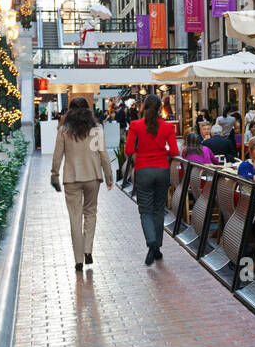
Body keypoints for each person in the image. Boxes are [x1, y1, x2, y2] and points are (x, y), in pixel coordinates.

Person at [50, 96, 115, 272]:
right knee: (91, 213)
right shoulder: (96, 129)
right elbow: (103, 154)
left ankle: (78, 260)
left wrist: (54, 174)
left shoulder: (64, 130)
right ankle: (88, 250)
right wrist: (109, 176)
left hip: (71, 177)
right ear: (88, 110)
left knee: (75, 217)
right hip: (93, 176)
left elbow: (57, 154)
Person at [125, 93, 178, 265]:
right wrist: (162, 152)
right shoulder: (167, 127)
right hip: (162, 170)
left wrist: (142, 152)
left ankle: (152, 243)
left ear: (144, 107)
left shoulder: (136, 125)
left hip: (143, 171)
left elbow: (128, 150)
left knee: (145, 210)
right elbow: (174, 151)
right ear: (159, 108)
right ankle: (157, 248)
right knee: (158, 209)